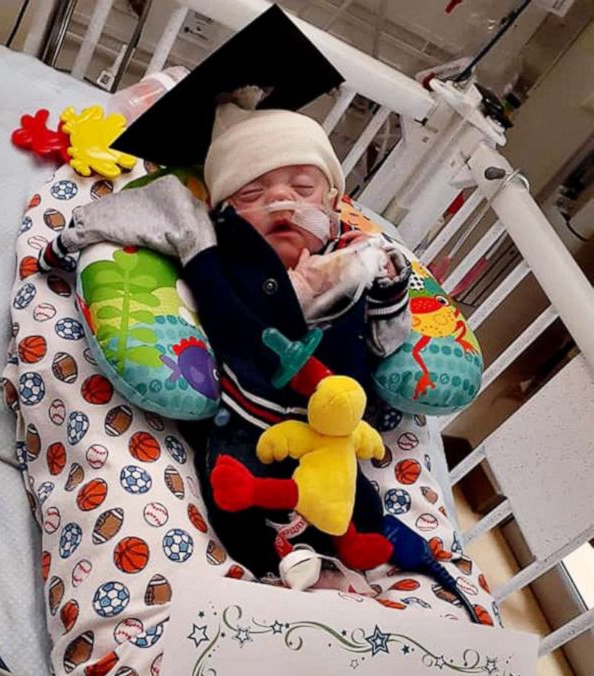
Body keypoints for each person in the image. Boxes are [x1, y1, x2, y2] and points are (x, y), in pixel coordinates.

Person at [39, 87, 412, 580]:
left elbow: (387, 340)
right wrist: (69, 240)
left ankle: (346, 567)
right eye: (253, 194)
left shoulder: (355, 256)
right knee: (237, 506)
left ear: (334, 203)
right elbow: (159, 209)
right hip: (247, 423)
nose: (281, 200)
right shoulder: (212, 244)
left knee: (358, 512)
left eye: (303, 189)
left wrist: (385, 278)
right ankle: (280, 572)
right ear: (224, 210)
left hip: (334, 437)